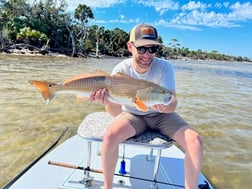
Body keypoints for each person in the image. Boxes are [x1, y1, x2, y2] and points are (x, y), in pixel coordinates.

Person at [89, 23, 203, 189]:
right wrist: (106, 101)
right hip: (133, 116)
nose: (147, 55)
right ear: (130, 46)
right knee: (110, 137)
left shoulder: (165, 67)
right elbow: (115, 113)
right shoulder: (121, 69)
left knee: (196, 142)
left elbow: (173, 101)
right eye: (142, 49)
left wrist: (167, 106)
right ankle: (107, 187)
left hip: (161, 116)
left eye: (152, 49)